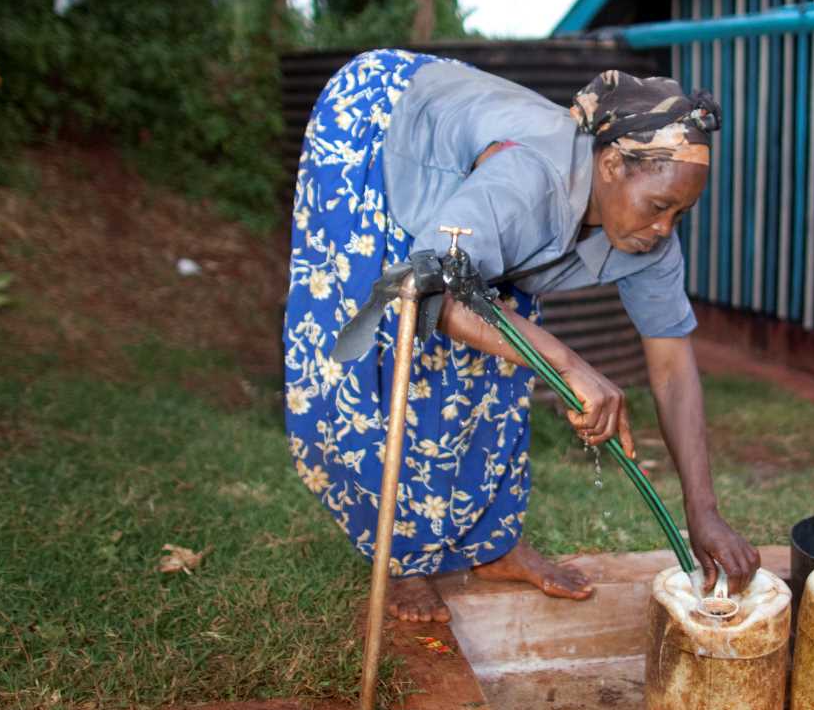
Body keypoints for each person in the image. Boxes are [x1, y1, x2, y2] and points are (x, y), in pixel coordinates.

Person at [283, 49, 760, 623]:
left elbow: (673, 367)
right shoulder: (527, 182)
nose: (664, 229)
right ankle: (404, 558)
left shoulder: (652, 231)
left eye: (680, 215)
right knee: (400, 343)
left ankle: (491, 544)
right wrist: (569, 365)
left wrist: (702, 510)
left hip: (478, 192)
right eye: (659, 207)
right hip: (382, 127)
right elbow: (437, 296)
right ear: (610, 166)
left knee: (506, 345)